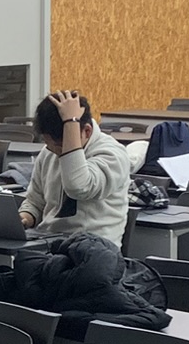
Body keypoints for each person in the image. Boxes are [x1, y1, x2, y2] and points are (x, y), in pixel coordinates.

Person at [20, 89, 131, 246]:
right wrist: (25, 216)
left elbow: (79, 187)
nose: (54, 150)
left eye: (60, 145)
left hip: (94, 248)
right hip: (49, 243)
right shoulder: (48, 152)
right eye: (48, 143)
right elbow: (35, 201)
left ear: (87, 131)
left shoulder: (113, 154)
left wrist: (70, 122)